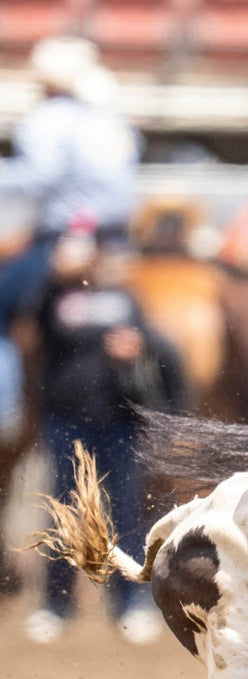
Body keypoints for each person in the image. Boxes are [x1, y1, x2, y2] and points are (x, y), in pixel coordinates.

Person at [24, 222, 187, 645]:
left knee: (125, 512)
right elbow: (34, 323)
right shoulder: (54, 296)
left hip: (119, 422)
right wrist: (55, 277)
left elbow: (157, 348)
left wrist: (136, 350)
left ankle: (130, 602)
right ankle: (55, 604)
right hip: (66, 421)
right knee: (63, 510)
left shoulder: (125, 298)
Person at [0, 37, 142, 442]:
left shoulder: (47, 120)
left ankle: (5, 409)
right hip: (116, 240)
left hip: (64, 239)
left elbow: (40, 177)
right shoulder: (113, 122)